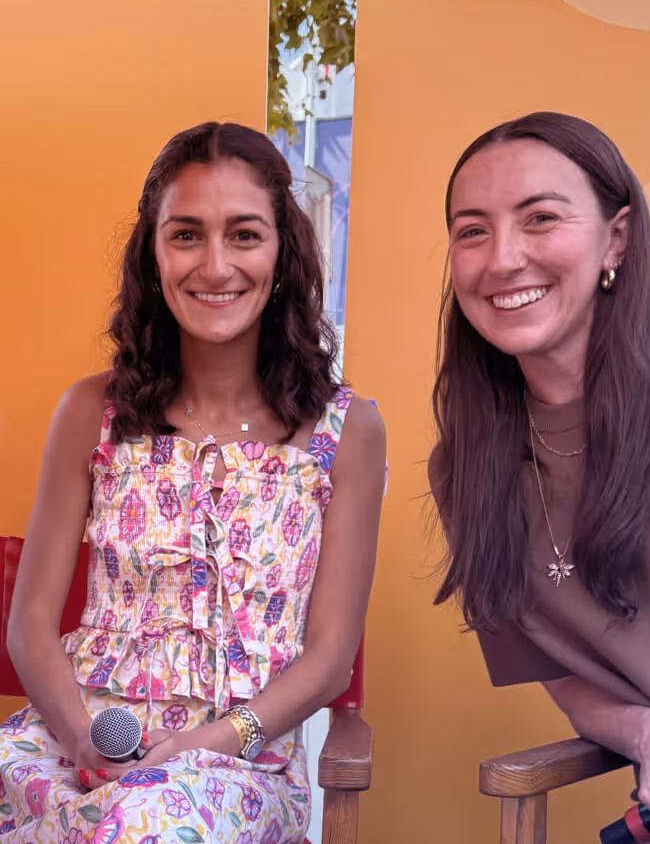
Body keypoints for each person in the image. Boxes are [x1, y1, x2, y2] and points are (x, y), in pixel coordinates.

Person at [1, 122, 386, 843]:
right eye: (186, 235)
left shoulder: (347, 430)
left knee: (141, 826)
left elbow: (331, 657)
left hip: (239, 767)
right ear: (152, 253)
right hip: (75, 743)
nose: (214, 266)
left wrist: (210, 742)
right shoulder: (91, 411)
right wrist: (82, 739)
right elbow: (29, 625)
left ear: (284, 252)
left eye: (244, 234)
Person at [429, 112, 650, 841]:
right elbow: (564, 673)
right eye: (472, 230)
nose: (504, 258)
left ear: (617, 237)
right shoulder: (467, 468)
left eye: (540, 218)